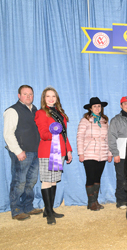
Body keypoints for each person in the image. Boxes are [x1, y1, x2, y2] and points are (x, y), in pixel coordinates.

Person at [3, 85, 43, 221]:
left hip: (35, 151)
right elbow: (8, 134)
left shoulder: (35, 110)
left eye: (31, 94)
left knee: (31, 181)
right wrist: (18, 151)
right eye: (25, 94)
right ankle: (16, 209)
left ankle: (28, 206)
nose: (28, 97)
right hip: (22, 151)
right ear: (19, 95)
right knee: (19, 181)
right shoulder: (12, 111)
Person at [34, 87, 73, 225]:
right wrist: (54, 133)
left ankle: (49, 209)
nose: (51, 99)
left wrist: (68, 150)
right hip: (47, 151)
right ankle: (49, 212)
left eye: (53, 96)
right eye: (48, 96)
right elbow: (43, 134)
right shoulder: (41, 113)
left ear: (57, 98)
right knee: (46, 180)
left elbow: (65, 135)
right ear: (44, 98)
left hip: (60, 151)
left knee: (54, 180)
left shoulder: (60, 114)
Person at [77, 97, 113, 211]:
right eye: (95, 106)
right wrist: (80, 153)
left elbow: (109, 138)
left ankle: (95, 201)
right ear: (90, 108)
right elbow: (80, 137)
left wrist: (109, 152)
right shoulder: (85, 120)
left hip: (102, 153)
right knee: (90, 177)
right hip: (89, 153)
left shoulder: (105, 121)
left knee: (98, 177)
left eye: (99, 106)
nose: (97, 108)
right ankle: (91, 202)